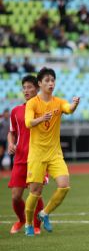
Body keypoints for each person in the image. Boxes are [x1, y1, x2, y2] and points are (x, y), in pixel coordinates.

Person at [23, 67, 80, 237]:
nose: (51, 83)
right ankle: (28, 224)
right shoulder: (32, 103)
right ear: (39, 83)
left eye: (53, 80)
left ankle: (44, 213)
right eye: (47, 80)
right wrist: (42, 118)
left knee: (64, 186)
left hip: (54, 153)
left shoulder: (58, 102)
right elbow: (28, 123)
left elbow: (68, 109)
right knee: (35, 192)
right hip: (37, 154)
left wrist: (75, 104)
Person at [7, 75, 44, 234]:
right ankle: (22, 220)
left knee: (35, 194)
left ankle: (36, 225)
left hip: (38, 157)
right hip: (20, 157)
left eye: (29, 87)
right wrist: (10, 143)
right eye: (24, 87)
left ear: (37, 88)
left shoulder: (44, 108)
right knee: (16, 196)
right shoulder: (16, 111)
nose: (26, 90)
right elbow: (12, 132)